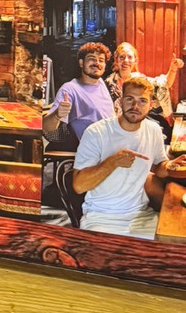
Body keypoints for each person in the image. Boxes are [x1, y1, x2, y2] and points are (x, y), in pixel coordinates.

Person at [72, 76, 186, 239]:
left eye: (142, 101)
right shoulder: (96, 132)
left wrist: (168, 166)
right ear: (120, 101)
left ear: (151, 105)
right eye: (130, 99)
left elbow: (157, 167)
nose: (135, 106)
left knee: (176, 241)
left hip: (141, 216)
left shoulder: (153, 130)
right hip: (101, 218)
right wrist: (113, 161)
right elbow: (79, 186)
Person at [43, 42, 114, 146]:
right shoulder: (70, 89)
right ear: (81, 63)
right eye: (92, 59)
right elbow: (46, 129)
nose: (97, 63)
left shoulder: (101, 83)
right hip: (91, 148)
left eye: (101, 60)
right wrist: (57, 115)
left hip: (110, 142)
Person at [106, 42, 181, 125]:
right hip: (118, 123)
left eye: (130, 57)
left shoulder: (139, 79)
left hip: (138, 121)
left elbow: (165, 84)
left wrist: (173, 69)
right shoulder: (109, 82)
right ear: (116, 60)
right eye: (122, 57)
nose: (126, 61)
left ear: (135, 61)